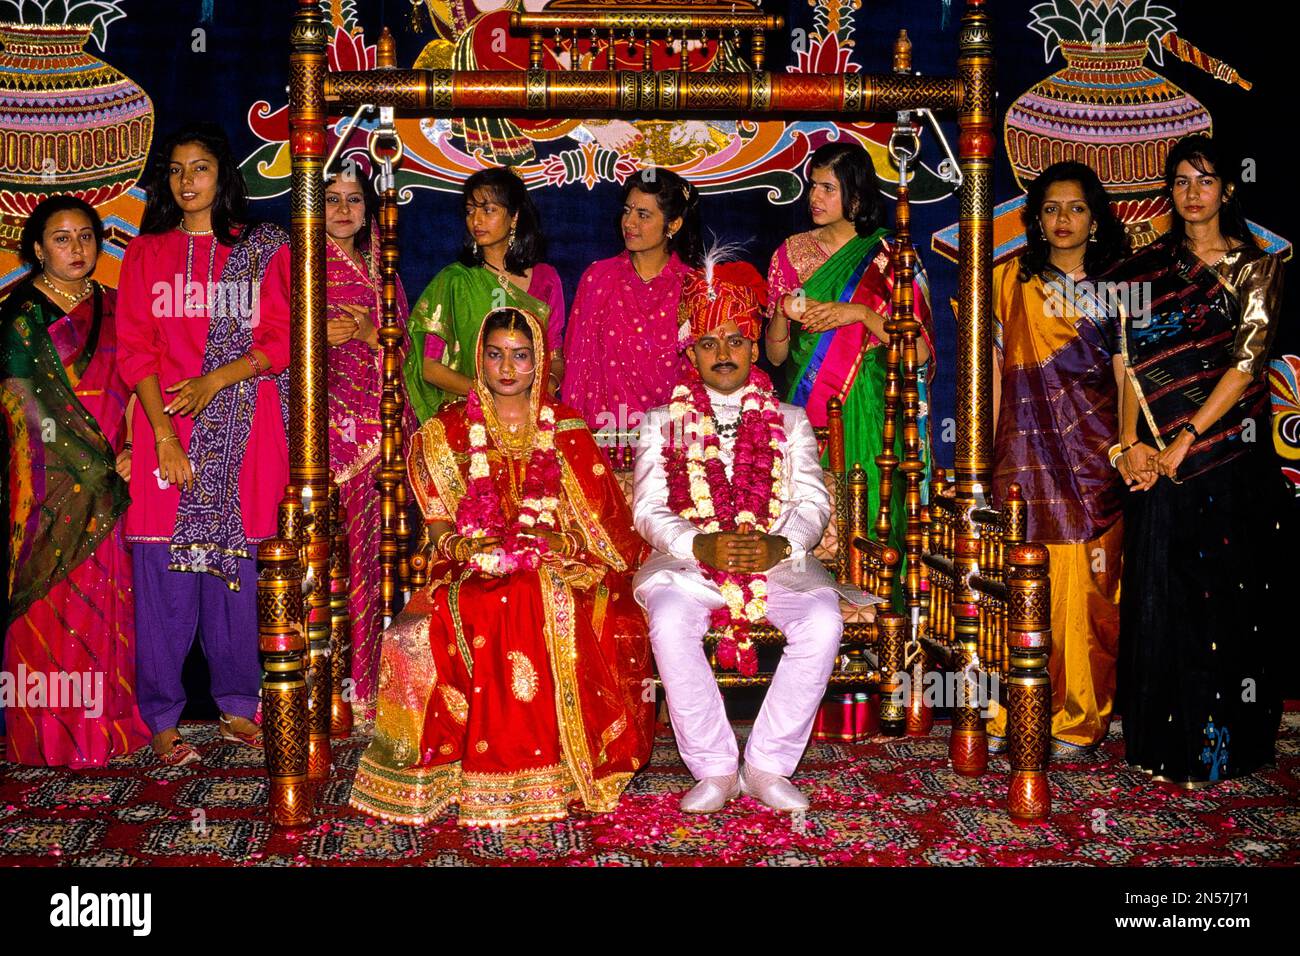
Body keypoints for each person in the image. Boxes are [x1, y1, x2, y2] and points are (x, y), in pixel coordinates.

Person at [350, 307, 653, 826]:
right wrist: (462, 547)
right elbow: (440, 521)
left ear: (540, 364)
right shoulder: (444, 431)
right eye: (495, 355)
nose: (507, 368)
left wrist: (562, 539)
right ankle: (462, 770)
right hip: (469, 564)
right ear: (479, 360)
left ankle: (542, 771)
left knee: (532, 594)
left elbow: (607, 530)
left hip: (556, 562)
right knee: (477, 601)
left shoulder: (568, 429)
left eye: (520, 356)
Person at [633, 255, 880, 813]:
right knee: (670, 619)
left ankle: (768, 764)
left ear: (753, 347)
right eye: (708, 342)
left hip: (777, 563)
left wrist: (781, 543)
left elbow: (813, 501)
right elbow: (647, 509)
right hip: (689, 566)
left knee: (821, 620)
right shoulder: (659, 421)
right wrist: (701, 543)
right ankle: (715, 768)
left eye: (736, 340)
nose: (723, 354)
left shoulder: (790, 420)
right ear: (690, 352)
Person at [1109, 135, 1287, 786]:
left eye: (1205, 180)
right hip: (1156, 461)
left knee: (1227, 607)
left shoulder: (1257, 268)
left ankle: (1227, 749)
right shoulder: (1144, 268)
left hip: (1226, 460)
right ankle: (1162, 747)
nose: (1192, 192)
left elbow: (1245, 368)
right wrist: (1130, 446)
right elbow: (1126, 361)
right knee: (1164, 602)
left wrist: (1183, 440)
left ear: (1227, 190)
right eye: (1181, 181)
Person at [116, 123, 292, 767]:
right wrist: (163, 435)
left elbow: (279, 340)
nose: (187, 181)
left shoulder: (263, 249)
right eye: (178, 170)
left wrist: (217, 377)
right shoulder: (145, 253)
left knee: (239, 573)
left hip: (246, 425)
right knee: (163, 575)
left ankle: (239, 707)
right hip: (166, 425)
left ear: (224, 178)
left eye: (201, 169)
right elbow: (135, 350)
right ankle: (161, 717)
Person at [764, 141, 935, 739]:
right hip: (810, 414)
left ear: (858, 195)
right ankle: (812, 683)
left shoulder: (890, 255)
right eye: (812, 186)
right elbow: (778, 357)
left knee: (880, 528)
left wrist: (859, 317)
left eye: (828, 188)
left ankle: (892, 684)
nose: (815, 197)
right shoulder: (788, 255)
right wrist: (783, 316)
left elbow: (915, 346)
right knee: (817, 533)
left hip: (877, 413)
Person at [985, 161, 1129, 757]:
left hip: (1095, 458)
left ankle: (1077, 719)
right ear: (1036, 220)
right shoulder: (1008, 282)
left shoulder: (1120, 286)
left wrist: (1123, 451)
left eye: (1074, 208)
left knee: (1085, 593)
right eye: (1050, 208)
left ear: (1095, 221)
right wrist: (991, 450)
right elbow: (998, 373)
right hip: (1022, 454)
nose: (1062, 219)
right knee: (1019, 583)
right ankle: (1010, 715)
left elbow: (1128, 381)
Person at [1, 196, 150, 767]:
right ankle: (44, 736)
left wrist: (133, 446)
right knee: (48, 603)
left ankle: (104, 731)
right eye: (61, 239)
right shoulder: (18, 319)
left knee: (103, 603)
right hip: (45, 491)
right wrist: (83, 465)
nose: (76, 249)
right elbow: (19, 408)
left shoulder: (117, 308)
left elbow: (138, 385)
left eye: (86, 237)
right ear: (37, 248)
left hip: (108, 485)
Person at [323, 169, 415, 713]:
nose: (342, 210)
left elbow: (401, 349)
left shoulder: (385, 268)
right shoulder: (301, 265)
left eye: (353, 199)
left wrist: (367, 333)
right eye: (331, 200)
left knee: (373, 565)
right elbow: (273, 339)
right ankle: (313, 690)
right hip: (317, 434)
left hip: (377, 434)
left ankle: (366, 688)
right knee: (316, 566)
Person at [404, 167, 565, 421]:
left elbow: (554, 354)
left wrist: (549, 386)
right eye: (470, 211)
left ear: (514, 217)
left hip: (531, 416)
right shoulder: (455, 281)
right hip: (471, 418)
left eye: (488, 210)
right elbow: (428, 368)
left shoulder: (546, 279)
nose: (476, 220)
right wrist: (489, 395)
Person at [561, 168, 701, 441]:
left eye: (643, 215)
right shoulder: (598, 278)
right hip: (604, 438)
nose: (629, 222)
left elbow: (698, 373)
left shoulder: (691, 286)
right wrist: (575, 440)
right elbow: (577, 366)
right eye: (627, 211)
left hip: (671, 442)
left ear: (673, 224)